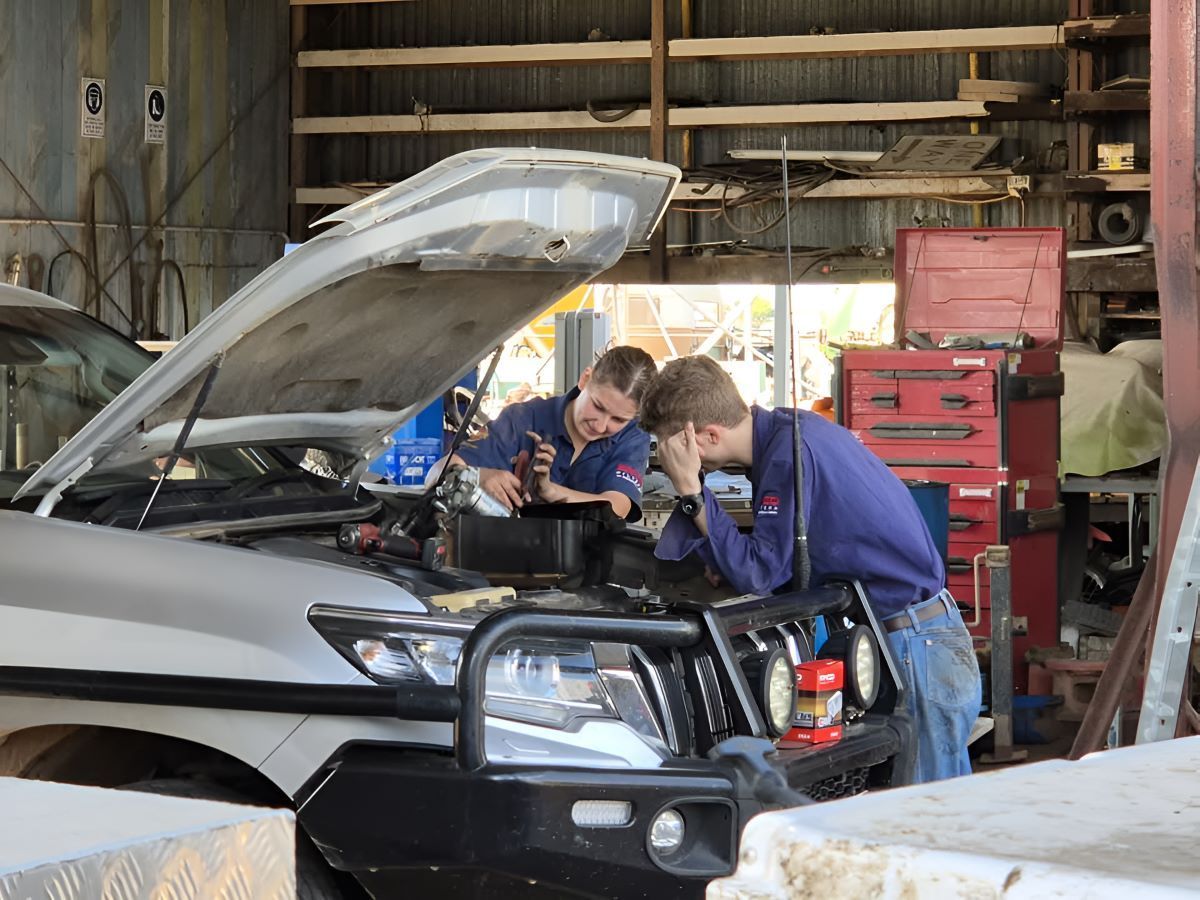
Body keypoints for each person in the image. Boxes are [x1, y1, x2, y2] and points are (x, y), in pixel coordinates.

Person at [638, 354, 981, 783]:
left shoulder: (787, 456)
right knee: (922, 806)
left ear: (706, 436)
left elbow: (760, 574)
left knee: (926, 813)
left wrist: (690, 490)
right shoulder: (790, 430)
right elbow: (786, 562)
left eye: (673, 449)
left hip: (914, 648)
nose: (670, 459)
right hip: (916, 638)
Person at [450, 345, 657, 521]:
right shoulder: (521, 419)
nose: (600, 426)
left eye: (618, 420)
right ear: (585, 379)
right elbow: (440, 470)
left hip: (589, 553)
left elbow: (618, 506)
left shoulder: (632, 436)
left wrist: (550, 491)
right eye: (598, 406)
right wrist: (478, 476)